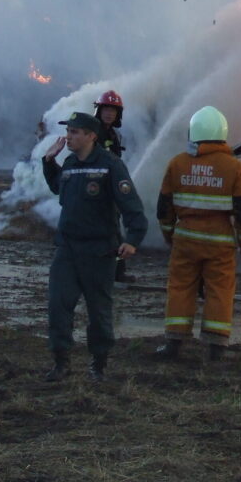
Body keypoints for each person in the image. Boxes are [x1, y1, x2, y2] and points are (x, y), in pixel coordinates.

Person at [42, 111, 148, 382]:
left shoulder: (110, 165)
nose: (68, 136)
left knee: (99, 311)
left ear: (91, 136)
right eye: (68, 131)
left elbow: (131, 205)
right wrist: (48, 161)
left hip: (99, 251)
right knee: (58, 305)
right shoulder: (69, 163)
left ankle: (98, 365)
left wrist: (132, 239)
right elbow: (57, 187)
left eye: (74, 132)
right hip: (67, 249)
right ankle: (61, 362)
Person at [155, 106, 241, 362]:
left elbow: (164, 208)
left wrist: (169, 234)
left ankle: (173, 343)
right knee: (219, 290)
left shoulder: (177, 163)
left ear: (193, 132)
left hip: (185, 239)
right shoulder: (235, 167)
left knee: (180, 287)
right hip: (220, 242)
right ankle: (216, 349)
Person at [92, 89, 132, 281]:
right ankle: (106, 272)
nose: (109, 113)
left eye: (113, 110)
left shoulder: (113, 135)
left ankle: (116, 272)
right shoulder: (93, 133)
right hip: (95, 191)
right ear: (99, 110)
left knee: (114, 231)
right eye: (106, 109)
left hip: (110, 191)